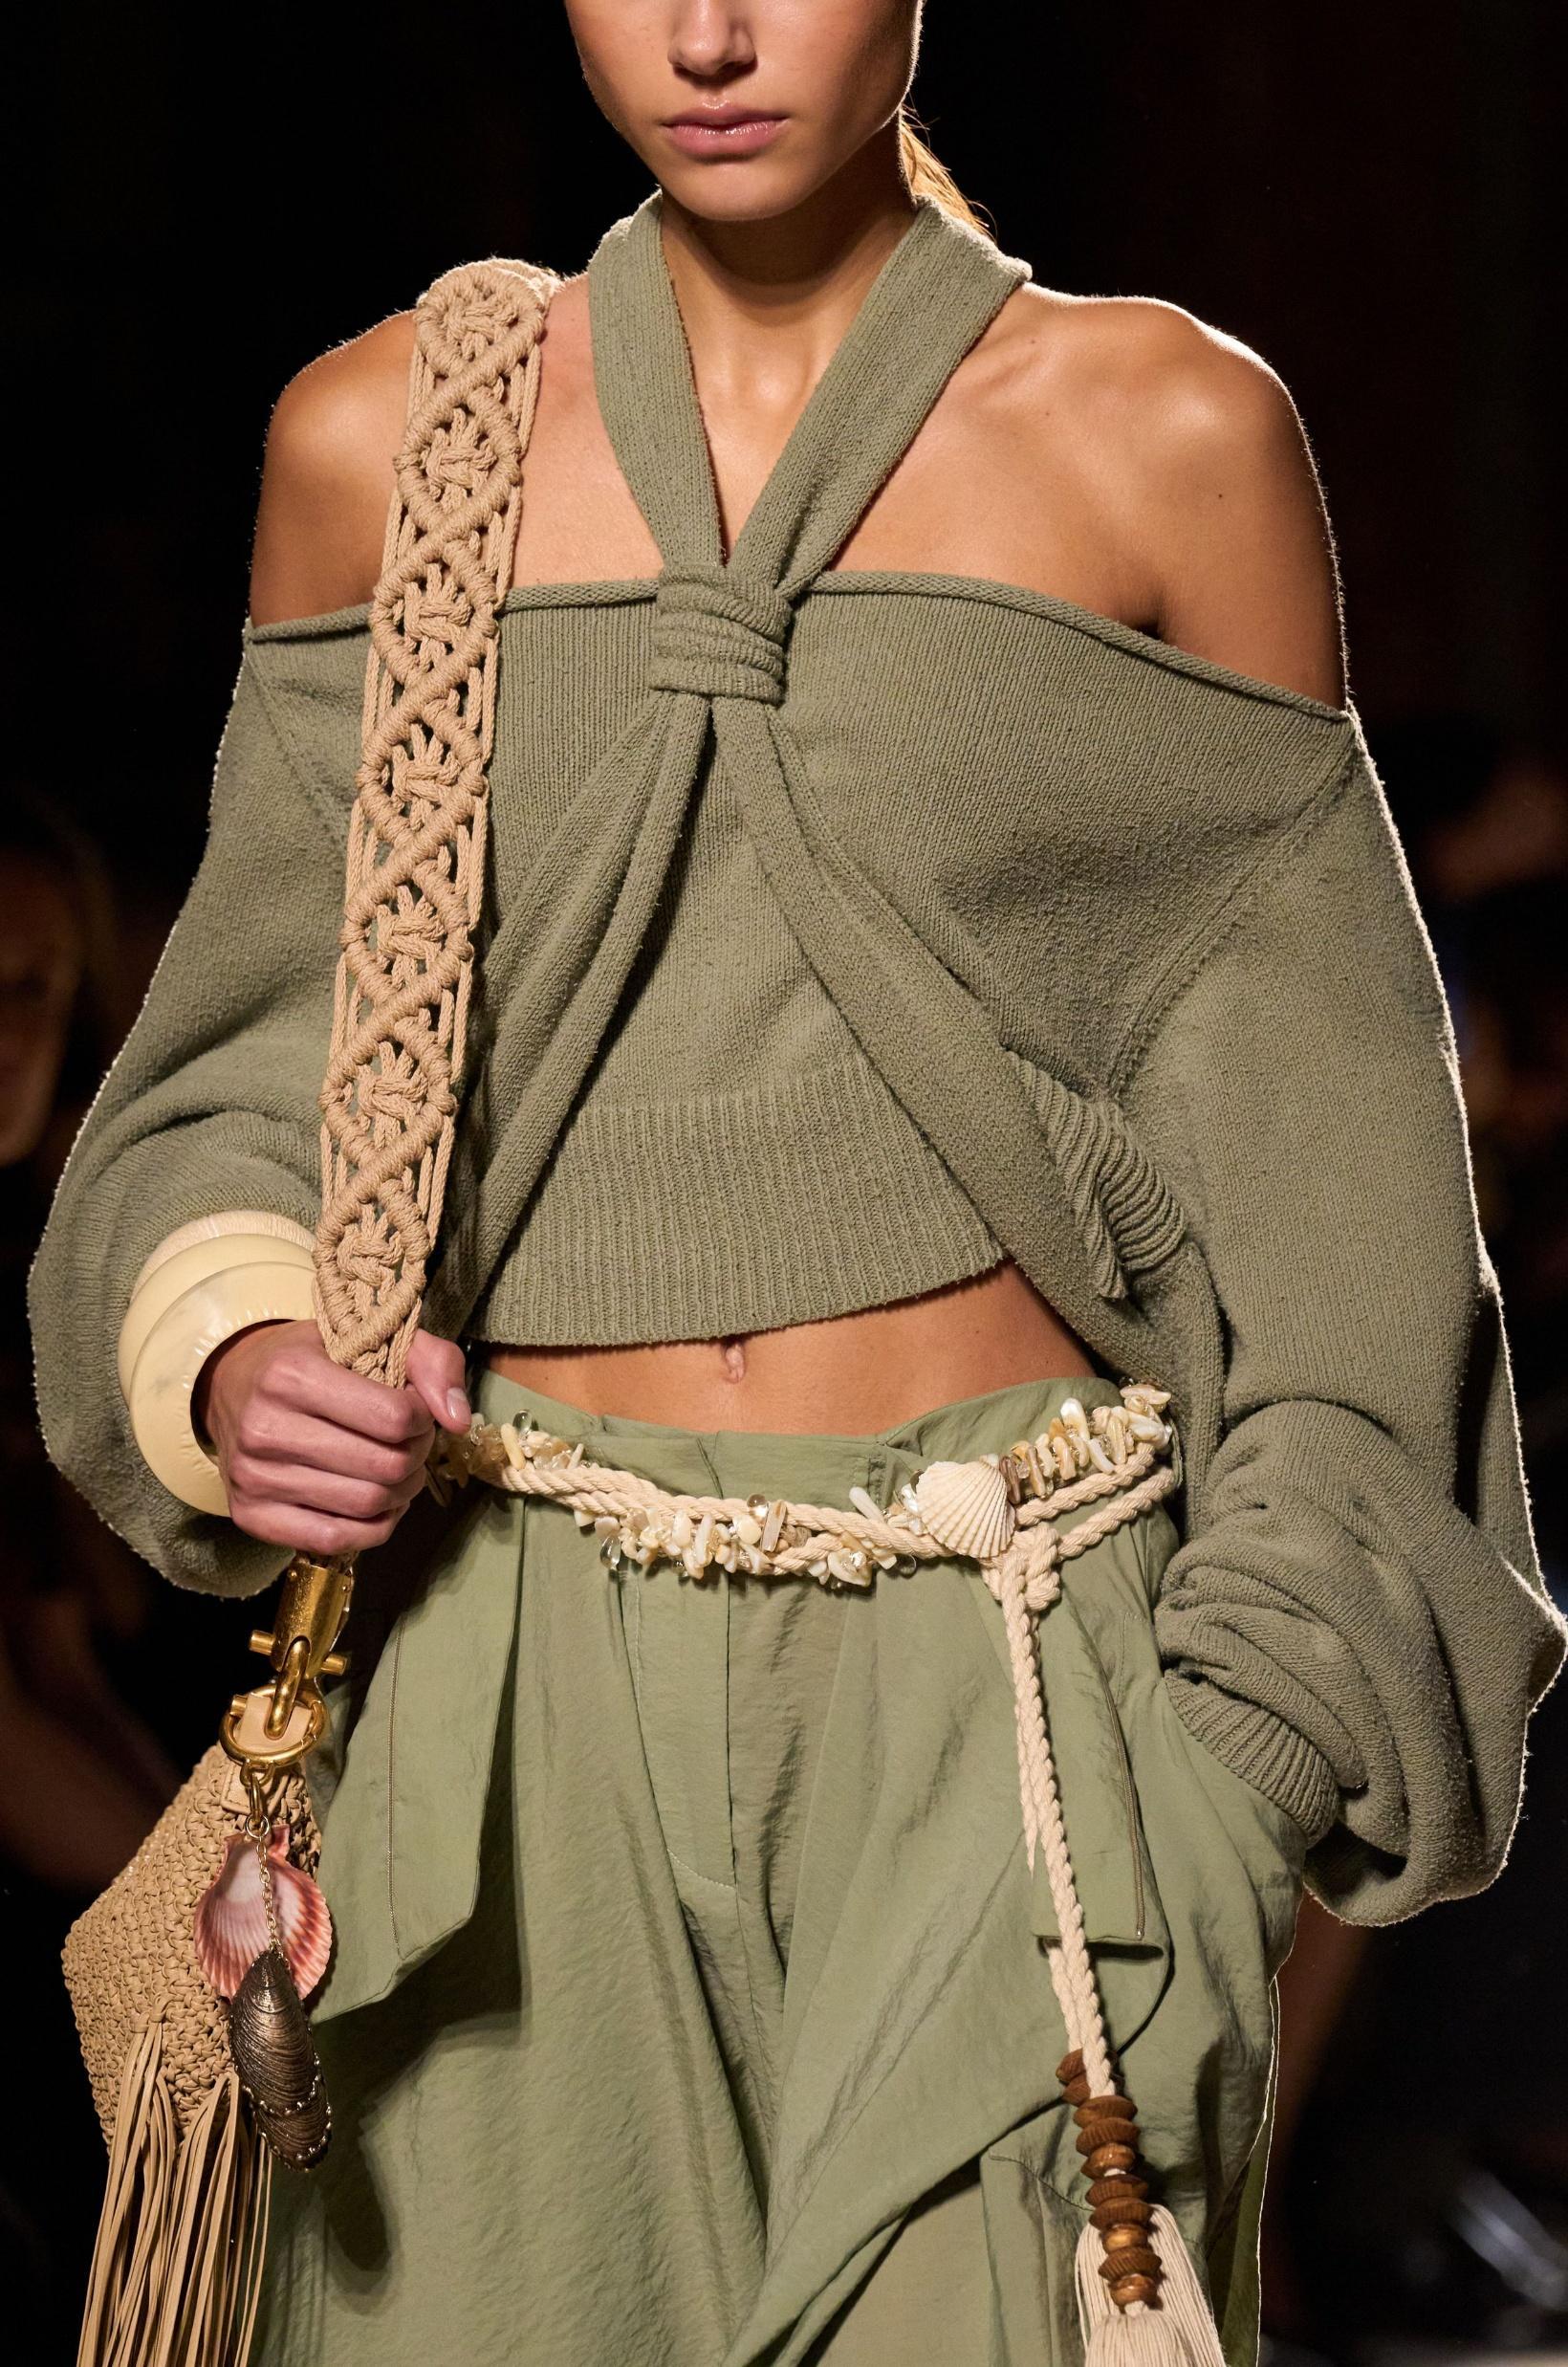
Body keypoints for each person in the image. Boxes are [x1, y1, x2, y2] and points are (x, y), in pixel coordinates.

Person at [27, 5, 1566, 2363]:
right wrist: (231, 1347)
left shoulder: (1167, 438)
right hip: (509, 1695)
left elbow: (1339, 1193)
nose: (712, 33)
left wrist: (1227, 1769)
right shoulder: (385, 443)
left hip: (1019, 1679)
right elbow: (242, 1080)